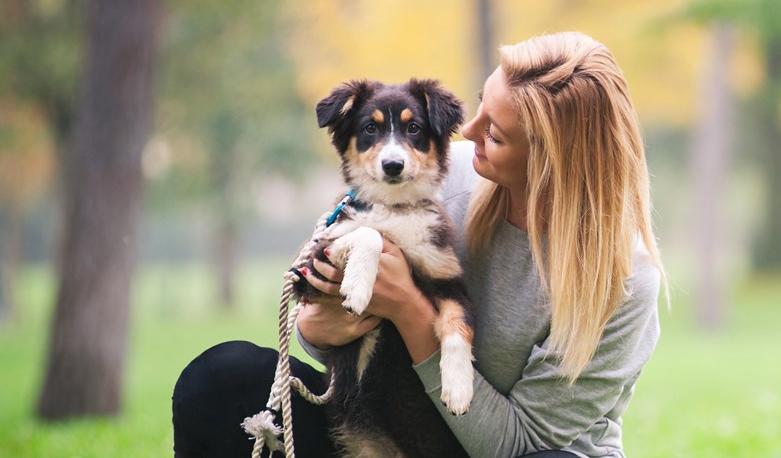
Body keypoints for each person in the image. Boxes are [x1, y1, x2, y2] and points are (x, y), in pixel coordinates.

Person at [173, 32, 666, 457]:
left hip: (509, 449)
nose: (464, 134)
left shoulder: (623, 280)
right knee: (222, 379)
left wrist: (409, 307)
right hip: (380, 415)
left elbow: (518, 444)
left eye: (493, 133)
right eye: (478, 107)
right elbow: (320, 324)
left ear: (550, 162)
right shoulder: (432, 174)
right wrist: (319, 324)